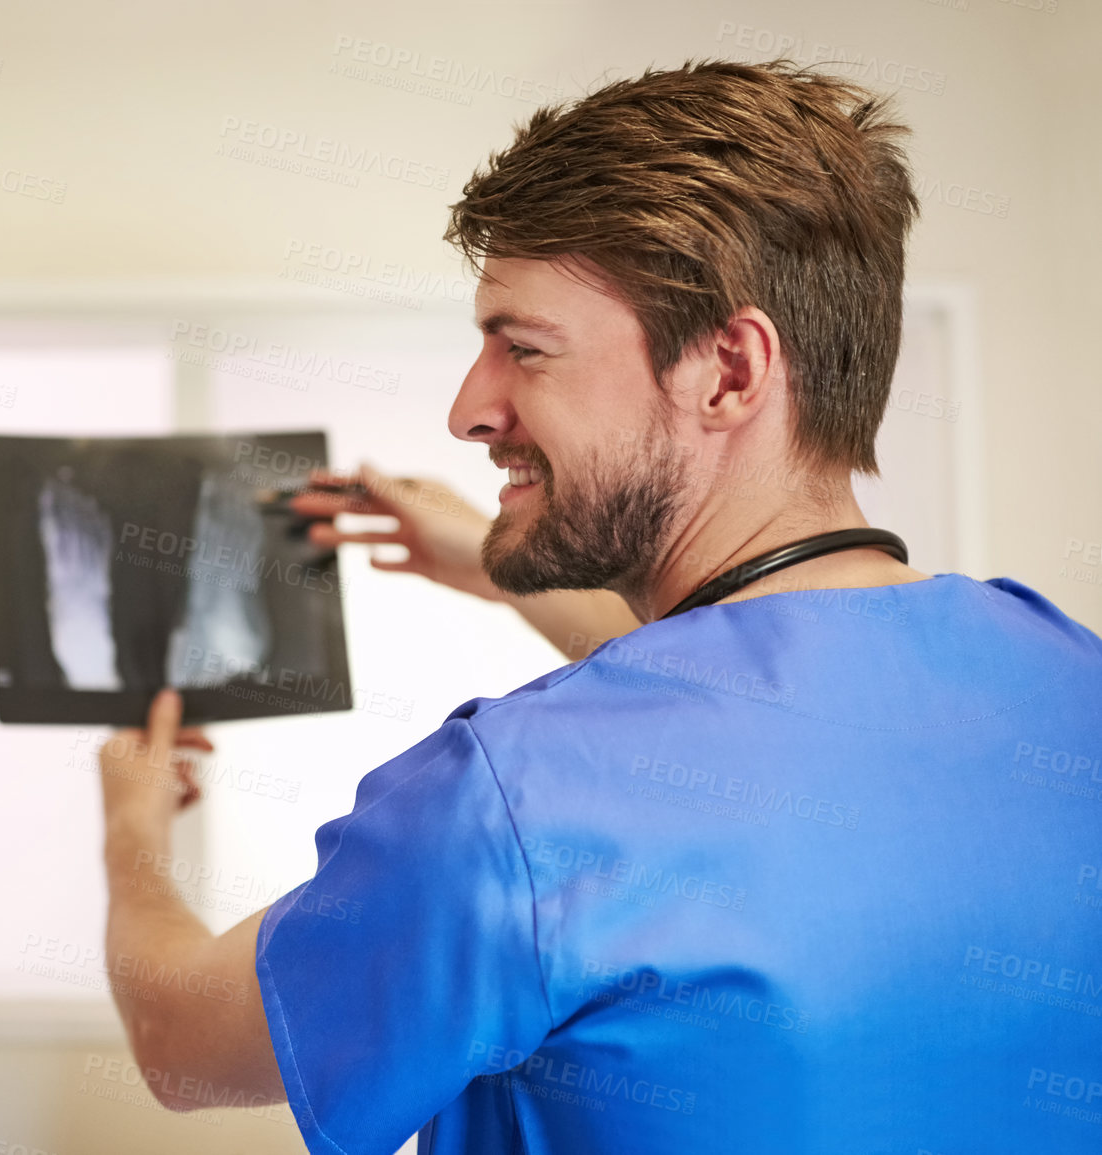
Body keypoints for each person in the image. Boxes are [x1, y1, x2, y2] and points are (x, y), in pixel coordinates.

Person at [94, 60, 1102, 1153]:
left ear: (728, 369)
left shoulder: (510, 801)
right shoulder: (1068, 683)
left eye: (522, 348)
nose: (469, 410)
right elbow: (741, 723)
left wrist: (131, 836)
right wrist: (500, 565)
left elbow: (183, 1039)